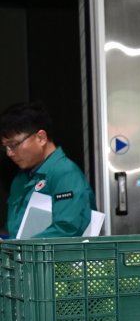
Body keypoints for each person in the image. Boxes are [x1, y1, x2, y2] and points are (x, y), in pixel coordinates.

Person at [1, 102, 94, 239]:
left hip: (58, 259)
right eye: (5, 147)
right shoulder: (20, 179)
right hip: (25, 258)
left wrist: (20, 248)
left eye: (13, 145)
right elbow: (15, 229)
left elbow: (67, 229)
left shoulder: (65, 173)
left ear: (41, 138)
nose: (9, 153)